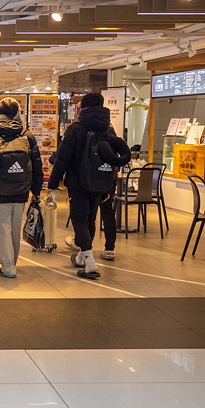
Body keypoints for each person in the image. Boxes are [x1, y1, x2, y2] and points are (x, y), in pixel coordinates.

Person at [48, 92, 130, 279]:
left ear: (82, 108)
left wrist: (52, 183)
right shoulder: (107, 129)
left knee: (79, 221)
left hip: (78, 183)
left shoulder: (76, 129)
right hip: (100, 182)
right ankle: (80, 258)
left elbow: (62, 159)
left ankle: (90, 264)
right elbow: (114, 159)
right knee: (90, 220)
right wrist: (111, 186)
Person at [0, 98, 43, 278]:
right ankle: (12, 262)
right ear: (18, 113)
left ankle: (8, 267)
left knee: (2, 229)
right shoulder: (26, 135)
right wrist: (36, 189)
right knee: (14, 227)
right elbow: (37, 163)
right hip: (21, 188)